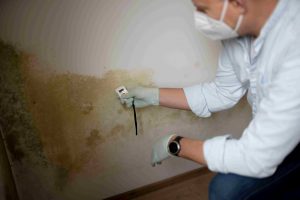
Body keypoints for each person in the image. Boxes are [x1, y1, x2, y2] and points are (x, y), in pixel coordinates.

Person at [118, 0, 300, 199]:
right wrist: (152, 95)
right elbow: (222, 92)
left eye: (203, 9)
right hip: (277, 136)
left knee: (226, 191)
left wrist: (176, 144)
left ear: (237, 3)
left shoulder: (294, 41)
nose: (199, 19)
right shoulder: (237, 35)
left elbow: (256, 157)